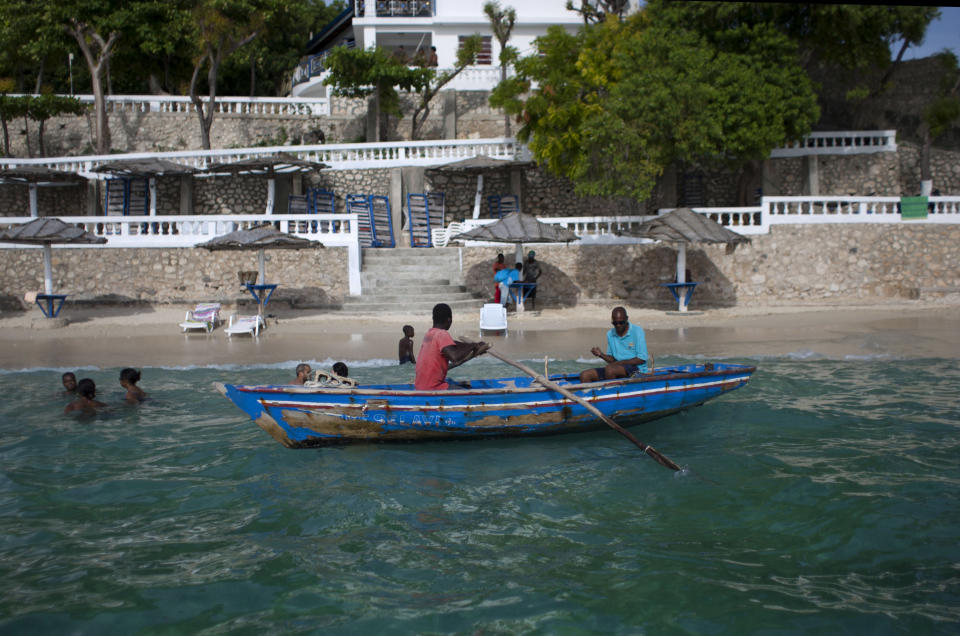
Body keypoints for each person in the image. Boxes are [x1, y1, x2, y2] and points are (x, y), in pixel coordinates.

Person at [415, 303, 488, 390]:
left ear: (433, 319)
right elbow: (454, 357)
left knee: (463, 384)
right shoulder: (442, 334)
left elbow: (454, 344)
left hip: (420, 386)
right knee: (466, 392)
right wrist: (473, 346)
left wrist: (474, 346)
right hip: (434, 388)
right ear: (449, 319)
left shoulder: (430, 334)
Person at [579, 307, 652, 383]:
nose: (618, 325)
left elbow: (642, 358)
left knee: (610, 370)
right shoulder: (610, 334)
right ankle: (591, 394)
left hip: (637, 369)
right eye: (615, 323)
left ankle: (611, 391)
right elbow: (612, 360)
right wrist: (600, 354)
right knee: (585, 375)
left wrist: (618, 363)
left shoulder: (637, 331)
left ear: (627, 319)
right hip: (616, 368)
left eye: (621, 322)